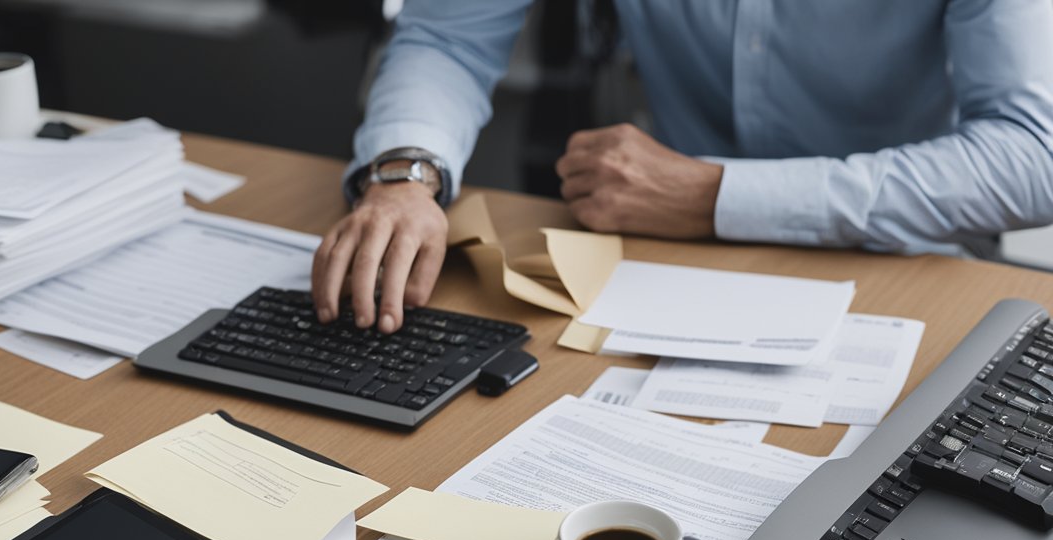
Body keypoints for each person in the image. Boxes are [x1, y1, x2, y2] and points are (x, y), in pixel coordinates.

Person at [311, 1, 1053, 334]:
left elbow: (1032, 155)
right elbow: (448, 37)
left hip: (907, 268)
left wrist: (715, 195)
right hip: (664, 272)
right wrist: (406, 176)